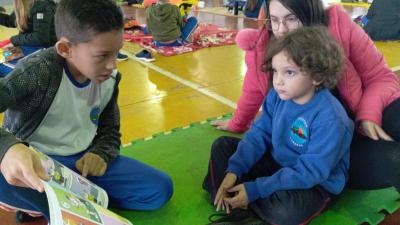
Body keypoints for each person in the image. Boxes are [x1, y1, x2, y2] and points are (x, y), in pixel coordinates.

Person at [0, 0, 173, 224]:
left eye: (117, 53)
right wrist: (7, 148)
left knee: (159, 189)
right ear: (65, 49)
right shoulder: (37, 70)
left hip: (80, 167)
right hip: (38, 163)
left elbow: (110, 130)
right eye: (102, 56)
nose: (113, 65)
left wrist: (100, 154)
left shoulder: (109, 79)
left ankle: (61, 203)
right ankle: (58, 203)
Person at [211, 0, 400, 192]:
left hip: (353, 123)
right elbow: (251, 91)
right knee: (394, 161)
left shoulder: (339, 26)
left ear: (309, 12)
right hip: (325, 152)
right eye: (274, 20)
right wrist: (237, 123)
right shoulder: (263, 47)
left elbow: (380, 75)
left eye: (291, 18)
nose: (282, 30)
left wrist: (368, 115)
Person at [203, 26, 354, 225]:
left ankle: (247, 204)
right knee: (222, 146)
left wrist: (255, 189)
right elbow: (259, 134)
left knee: (285, 212)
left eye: (289, 72)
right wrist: (234, 171)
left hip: (315, 183)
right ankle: (235, 199)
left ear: (317, 77)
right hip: (278, 164)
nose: (278, 81)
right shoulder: (277, 95)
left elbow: (310, 171)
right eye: (275, 71)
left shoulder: (331, 119)